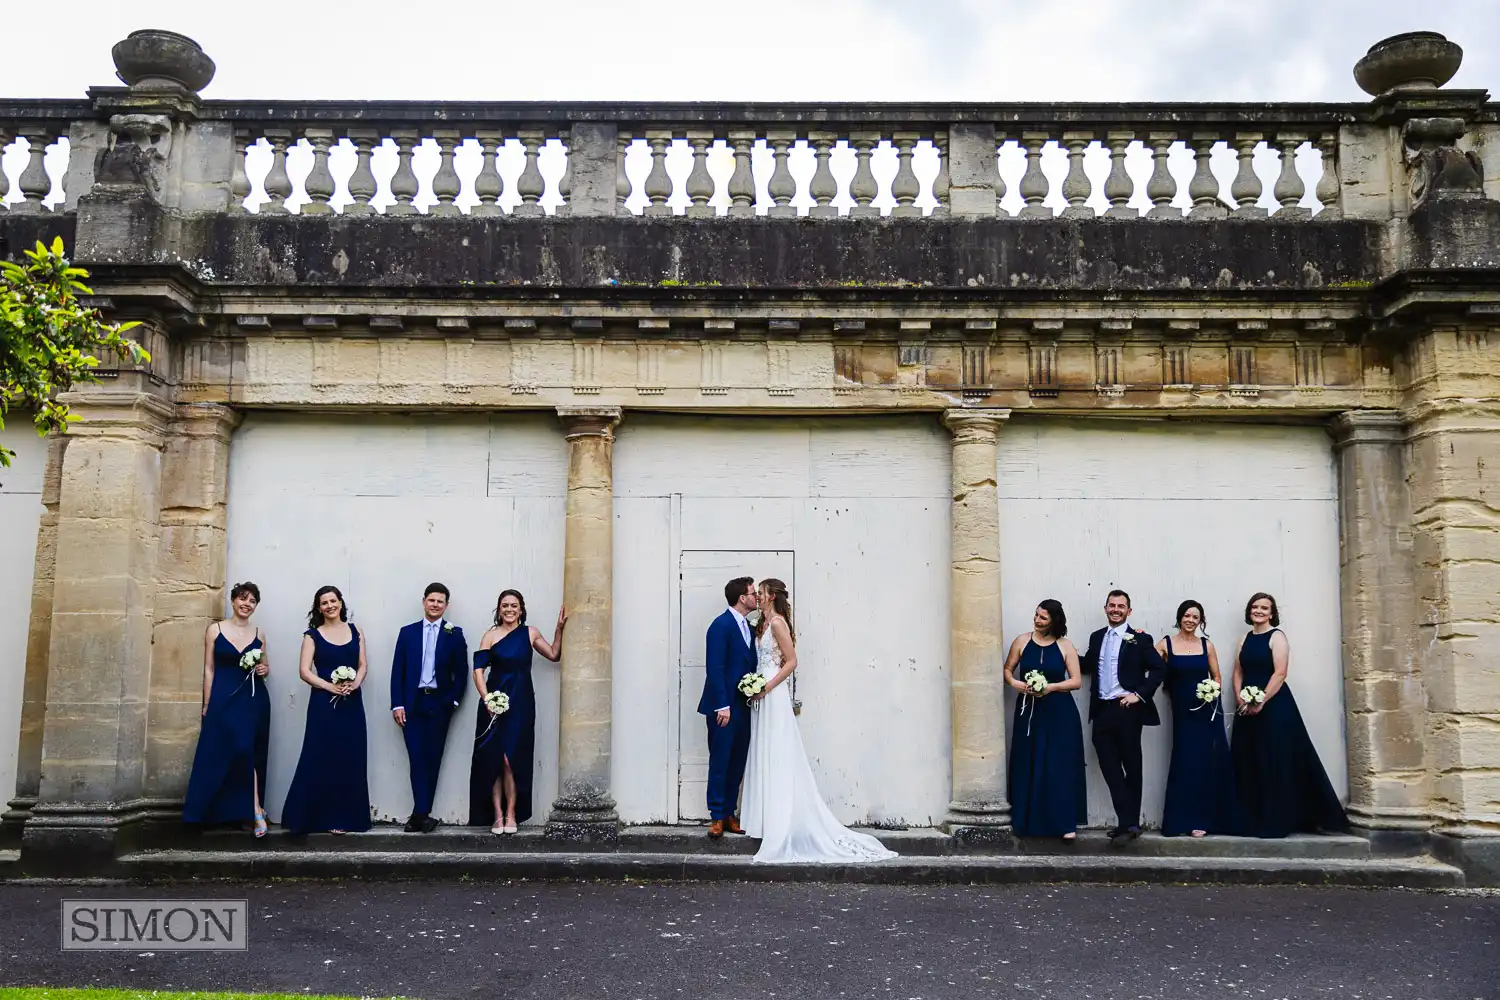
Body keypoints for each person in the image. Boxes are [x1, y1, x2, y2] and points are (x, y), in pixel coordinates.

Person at [740, 578, 896, 863]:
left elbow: (791, 661)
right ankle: (765, 819)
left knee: (778, 752)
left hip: (772, 696)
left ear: (772, 596)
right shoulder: (762, 624)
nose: (758, 597)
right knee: (764, 752)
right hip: (760, 696)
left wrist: (767, 687)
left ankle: (781, 821)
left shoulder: (777, 624)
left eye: (761, 593)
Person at [1231, 592, 1350, 838]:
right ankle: (1251, 818)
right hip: (1247, 707)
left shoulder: (1277, 637)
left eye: (1265, 608)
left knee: (1275, 759)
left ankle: (1280, 819)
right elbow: (1237, 672)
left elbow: (1280, 673)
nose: (1259, 611)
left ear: (1272, 613)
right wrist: (1241, 698)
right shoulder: (1244, 638)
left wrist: (1260, 699)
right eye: (1255, 607)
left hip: (1274, 705)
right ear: (1249, 611)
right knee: (1249, 758)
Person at [470, 589, 565, 835]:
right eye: (504, 606)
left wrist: (559, 630)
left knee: (512, 759)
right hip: (494, 704)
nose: (509, 610)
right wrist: (486, 699)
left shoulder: (530, 633)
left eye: (514, 605)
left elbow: (554, 654)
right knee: (494, 759)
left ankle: (512, 813)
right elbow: (478, 670)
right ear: (498, 609)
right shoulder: (489, 636)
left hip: (521, 703)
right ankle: (497, 816)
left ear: (521, 609)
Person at [182, 581, 272, 837]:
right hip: (222, 696)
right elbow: (209, 669)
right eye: (243, 599)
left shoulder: (259, 633)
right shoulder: (215, 630)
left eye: (252, 601)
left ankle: (253, 811)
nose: (247, 604)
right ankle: (214, 813)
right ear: (233, 601)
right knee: (219, 753)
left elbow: (265, 667)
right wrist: (208, 703)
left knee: (247, 751)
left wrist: (264, 669)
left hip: (252, 698)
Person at [281, 585, 372, 836]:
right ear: (318, 608)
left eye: (333, 600)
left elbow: (363, 664)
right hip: (323, 704)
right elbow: (304, 671)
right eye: (324, 603)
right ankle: (312, 817)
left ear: (341, 603)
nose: (330, 606)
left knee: (350, 756)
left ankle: (347, 817)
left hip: (352, 703)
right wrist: (330, 687)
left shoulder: (356, 631)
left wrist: (355, 683)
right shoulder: (312, 635)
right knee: (320, 755)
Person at [1079, 589, 1167, 847]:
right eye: (1112, 605)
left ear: (1129, 611)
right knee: (1109, 767)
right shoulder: (1097, 637)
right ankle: (1126, 820)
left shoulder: (1139, 639)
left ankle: (1129, 824)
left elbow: (1159, 668)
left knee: (1132, 765)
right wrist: (1067, 653)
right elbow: (1090, 665)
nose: (1116, 609)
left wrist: (1138, 695)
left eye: (1121, 606)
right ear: (1105, 608)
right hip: (1102, 710)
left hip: (1128, 710)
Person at [1004, 599, 1087, 840]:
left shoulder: (1065, 646)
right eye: (1036, 615)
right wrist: (1016, 684)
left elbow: (1076, 681)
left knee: (1058, 765)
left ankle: (1064, 823)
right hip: (1029, 711)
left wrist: (1050, 687)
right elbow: (1007, 669)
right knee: (1027, 761)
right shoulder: (1021, 641)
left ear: (1054, 621)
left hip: (1059, 712)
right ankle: (1027, 822)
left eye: (1043, 618)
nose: (1037, 620)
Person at [390, 582, 469, 833]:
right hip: (412, 703)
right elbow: (397, 671)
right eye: (431, 600)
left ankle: (420, 814)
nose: (435, 605)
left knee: (433, 758)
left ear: (446, 605)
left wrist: (453, 701)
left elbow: (462, 672)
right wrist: (397, 704)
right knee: (416, 757)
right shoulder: (407, 633)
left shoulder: (454, 634)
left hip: (439, 703)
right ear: (423, 601)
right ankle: (421, 814)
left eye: (440, 601)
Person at [1156, 600, 1238, 837]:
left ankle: (1204, 820)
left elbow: (1217, 676)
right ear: (1179, 617)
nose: (1191, 620)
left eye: (1195, 617)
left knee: (1208, 761)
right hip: (1183, 710)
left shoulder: (1207, 645)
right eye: (1187, 616)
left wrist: (1212, 691)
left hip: (1207, 709)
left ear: (1201, 621)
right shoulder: (1165, 644)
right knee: (1185, 760)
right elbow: (1149, 666)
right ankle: (1180, 820)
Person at [697, 576, 759, 839]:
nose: (756, 597)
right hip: (723, 708)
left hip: (743, 706)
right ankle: (716, 816)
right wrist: (722, 705)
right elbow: (715, 668)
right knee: (720, 760)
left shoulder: (749, 626)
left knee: (737, 762)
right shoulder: (720, 626)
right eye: (753, 593)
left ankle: (730, 814)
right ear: (741, 598)